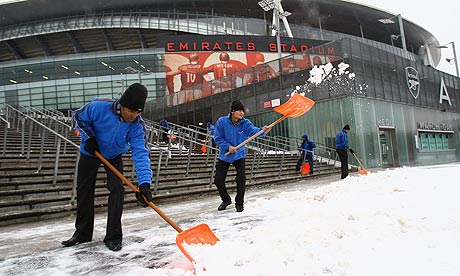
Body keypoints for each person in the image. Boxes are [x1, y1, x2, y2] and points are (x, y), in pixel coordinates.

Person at [62, 83, 154, 251]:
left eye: (137, 112)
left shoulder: (137, 126)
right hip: (91, 151)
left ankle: (113, 236)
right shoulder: (99, 107)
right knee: (84, 190)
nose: (133, 116)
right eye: (131, 111)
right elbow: (79, 117)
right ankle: (82, 234)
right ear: (122, 105)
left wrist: (144, 184)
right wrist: (89, 138)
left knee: (117, 190)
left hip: (113, 156)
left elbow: (141, 154)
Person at [213, 100, 272, 212]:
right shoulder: (222, 122)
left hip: (239, 155)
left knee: (241, 178)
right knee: (218, 180)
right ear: (232, 111)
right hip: (225, 155)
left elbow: (254, 132)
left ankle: (239, 203)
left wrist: (263, 131)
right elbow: (217, 138)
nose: (241, 113)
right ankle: (226, 200)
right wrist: (228, 146)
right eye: (239, 111)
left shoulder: (245, 123)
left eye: (242, 111)